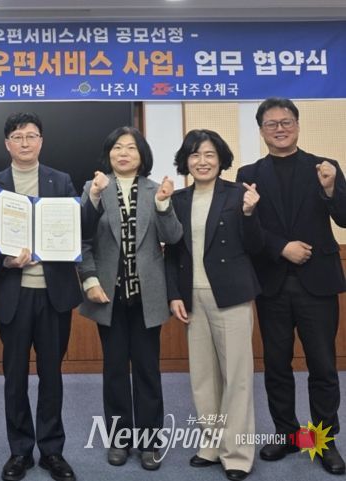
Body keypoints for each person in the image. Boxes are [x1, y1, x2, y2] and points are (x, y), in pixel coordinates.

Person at [236, 97, 346, 475]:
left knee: (323, 365)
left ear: (297, 125)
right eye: (271, 124)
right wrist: (281, 247)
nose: (280, 129)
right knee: (277, 366)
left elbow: (344, 218)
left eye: (286, 122)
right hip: (273, 284)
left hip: (319, 283)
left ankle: (323, 441)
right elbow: (248, 229)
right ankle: (287, 434)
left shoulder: (324, 167)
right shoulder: (248, 174)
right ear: (261, 130)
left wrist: (331, 190)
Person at [0, 112, 82, 481]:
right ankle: (20, 450)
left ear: (41, 141)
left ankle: (52, 451)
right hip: (14, 295)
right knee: (15, 376)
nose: (25, 142)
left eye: (31, 136)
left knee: (52, 375)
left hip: (54, 295)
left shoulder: (61, 181)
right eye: (18, 137)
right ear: (7, 144)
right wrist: (5, 259)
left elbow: (76, 229)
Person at [77, 126, 182, 471]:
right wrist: (89, 279)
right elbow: (81, 238)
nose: (123, 153)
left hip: (147, 295)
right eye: (117, 147)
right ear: (108, 154)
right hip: (108, 294)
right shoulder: (94, 187)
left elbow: (173, 237)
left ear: (142, 155)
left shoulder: (155, 190)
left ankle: (150, 442)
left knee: (148, 370)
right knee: (114, 371)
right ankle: (120, 439)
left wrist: (164, 205)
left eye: (131, 148)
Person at [165, 129, 263, 481]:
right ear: (186, 161)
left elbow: (256, 246)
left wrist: (250, 214)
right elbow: (172, 252)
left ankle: (237, 453)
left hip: (231, 295)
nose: (202, 161)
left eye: (209, 154)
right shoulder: (178, 199)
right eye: (195, 155)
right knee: (203, 377)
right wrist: (174, 294)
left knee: (236, 377)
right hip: (192, 296)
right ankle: (212, 443)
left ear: (221, 159)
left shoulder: (239, 194)